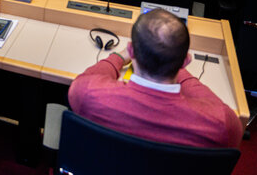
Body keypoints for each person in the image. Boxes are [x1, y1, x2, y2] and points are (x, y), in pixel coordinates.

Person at [68, 8, 243, 148]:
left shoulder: (87, 93)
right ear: (186, 61)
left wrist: (118, 57)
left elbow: (86, 79)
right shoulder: (223, 123)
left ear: (131, 51)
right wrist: (174, 62)